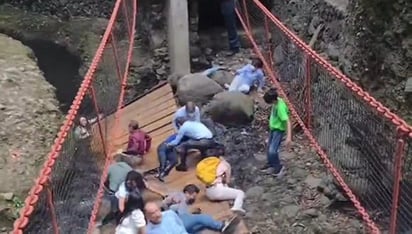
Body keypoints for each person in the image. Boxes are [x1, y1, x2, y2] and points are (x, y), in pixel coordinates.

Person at [162, 184, 240, 234]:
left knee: (202, 225)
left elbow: (183, 213)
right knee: (202, 218)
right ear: (186, 192)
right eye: (192, 195)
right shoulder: (179, 195)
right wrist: (170, 200)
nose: (193, 198)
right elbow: (166, 202)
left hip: (179, 228)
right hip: (176, 223)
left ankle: (223, 229)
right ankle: (221, 226)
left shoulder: (185, 204)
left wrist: (192, 213)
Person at [100, 171, 165, 226]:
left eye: (131, 181)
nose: (128, 183)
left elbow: (150, 188)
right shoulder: (123, 189)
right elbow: (121, 207)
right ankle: (106, 223)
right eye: (128, 181)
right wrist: (127, 213)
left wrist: (161, 194)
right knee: (115, 212)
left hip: (132, 200)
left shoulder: (141, 183)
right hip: (118, 200)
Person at [260, 88, 291, 177]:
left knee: (273, 150)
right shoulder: (276, 101)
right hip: (273, 129)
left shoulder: (280, 108)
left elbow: (287, 121)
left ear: (273, 100)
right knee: (269, 146)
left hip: (278, 130)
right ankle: (270, 163)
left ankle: (278, 167)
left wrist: (289, 137)